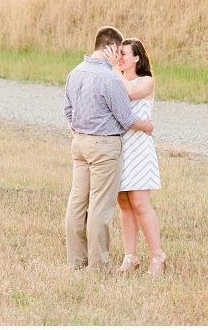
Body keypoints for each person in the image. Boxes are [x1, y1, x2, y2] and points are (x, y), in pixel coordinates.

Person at [63, 25, 154, 271]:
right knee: (100, 208)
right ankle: (98, 266)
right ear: (112, 47)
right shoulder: (110, 78)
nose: (119, 58)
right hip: (103, 146)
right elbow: (126, 119)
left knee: (77, 203)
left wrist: (78, 132)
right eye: (118, 51)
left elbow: (67, 112)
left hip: (79, 143)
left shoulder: (75, 72)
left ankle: (76, 262)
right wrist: (146, 125)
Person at [115, 38, 166, 275]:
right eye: (118, 54)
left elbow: (133, 93)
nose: (120, 58)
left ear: (137, 57)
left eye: (124, 54)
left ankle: (157, 256)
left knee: (140, 202)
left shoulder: (146, 81)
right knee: (124, 202)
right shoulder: (117, 80)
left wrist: (113, 74)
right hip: (120, 148)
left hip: (139, 149)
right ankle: (130, 256)